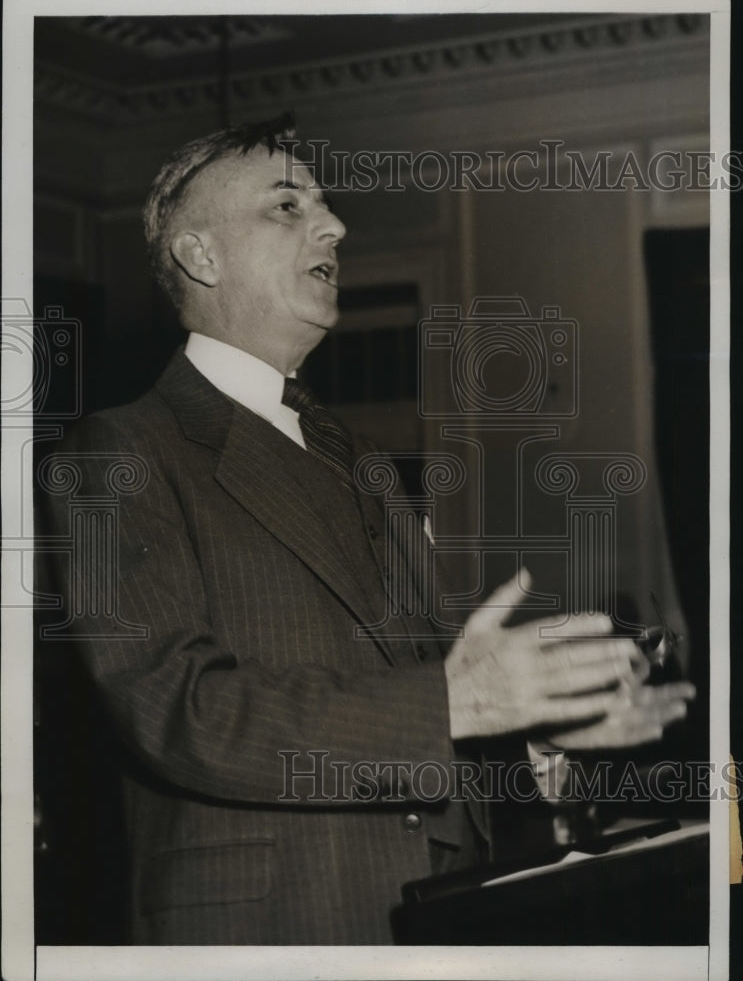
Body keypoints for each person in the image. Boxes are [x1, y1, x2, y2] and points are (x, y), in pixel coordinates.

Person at [46, 114, 695, 945]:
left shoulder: (360, 459)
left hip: (439, 917)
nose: (336, 225)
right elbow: (179, 712)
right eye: (287, 206)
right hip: (273, 933)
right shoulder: (118, 450)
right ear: (199, 257)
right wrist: (459, 699)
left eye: (324, 203)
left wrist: (527, 730)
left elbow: (418, 704)